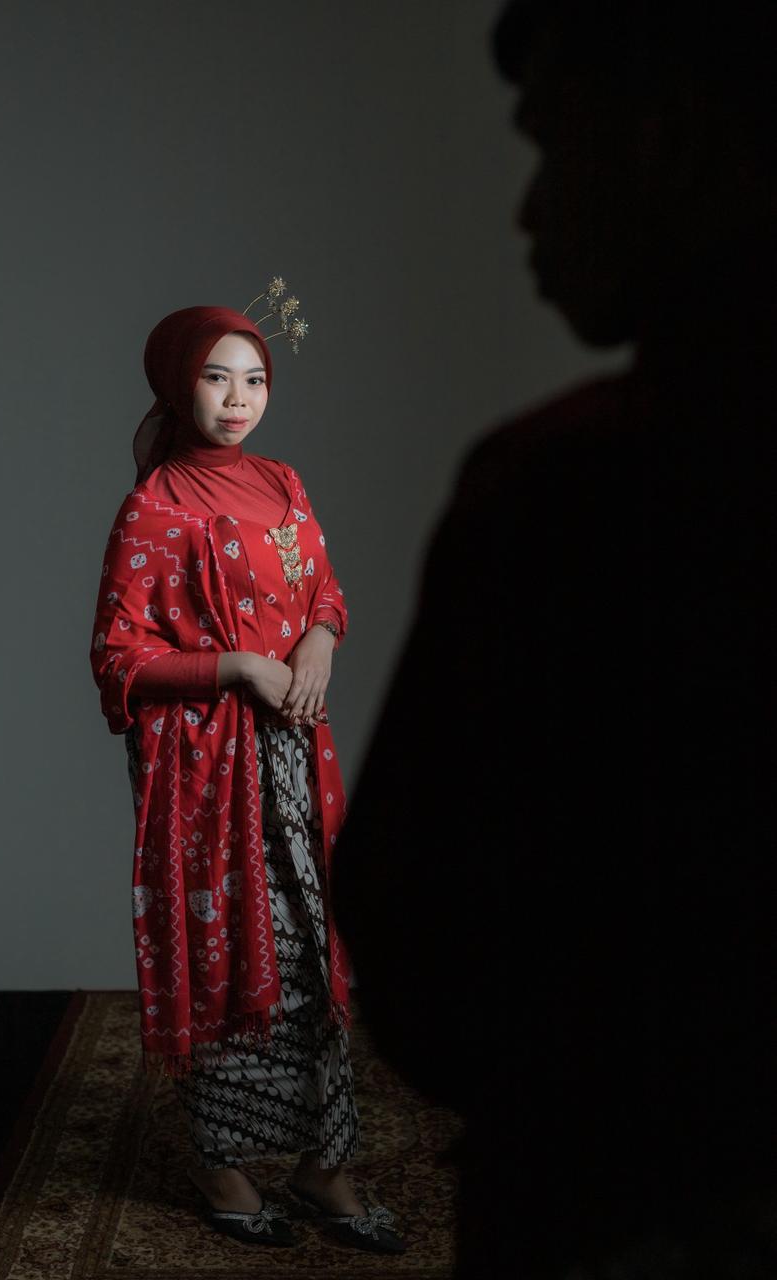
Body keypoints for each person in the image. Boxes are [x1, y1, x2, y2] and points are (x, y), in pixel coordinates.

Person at [331, 3, 777, 1277]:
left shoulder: (564, 493)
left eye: (549, 144)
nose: (529, 212)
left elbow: (419, 941)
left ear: (661, 135)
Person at [89, 298, 404, 1254]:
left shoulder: (281, 480)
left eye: (256, 379)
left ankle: (324, 1164)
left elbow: (324, 590)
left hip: (297, 755)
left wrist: (319, 642)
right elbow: (118, 656)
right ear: (176, 385)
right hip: (210, 772)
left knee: (317, 950)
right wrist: (236, 667)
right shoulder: (157, 505)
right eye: (216, 377)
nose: (238, 399)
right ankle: (222, 1162)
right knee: (231, 953)